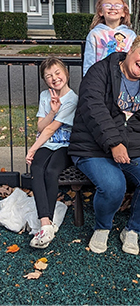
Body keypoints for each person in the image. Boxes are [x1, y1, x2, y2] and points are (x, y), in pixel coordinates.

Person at [68, 35, 140, 255]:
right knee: (114, 186)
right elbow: (93, 108)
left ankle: (132, 230)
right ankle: (102, 227)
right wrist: (114, 143)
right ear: (131, 50)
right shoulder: (100, 71)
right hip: (93, 147)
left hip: (134, 147)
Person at [26, 57, 78, 249]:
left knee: (51, 172)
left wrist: (32, 148)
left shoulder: (72, 99)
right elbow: (41, 126)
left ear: (66, 74)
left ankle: (46, 224)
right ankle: (45, 223)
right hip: (46, 144)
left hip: (65, 146)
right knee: (37, 168)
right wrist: (51, 111)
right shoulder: (45, 96)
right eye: (49, 76)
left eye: (57, 73)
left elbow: (50, 129)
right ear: (45, 80)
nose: (54, 78)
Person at [83, 0, 137, 76]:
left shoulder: (130, 35)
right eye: (107, 5)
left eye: (117, 5)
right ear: (101, 12)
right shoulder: (94, 34)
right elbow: (89, 63)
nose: (112, 8)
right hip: (101, 79)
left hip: (123, 79)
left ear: (123, 12)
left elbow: (134, 60)